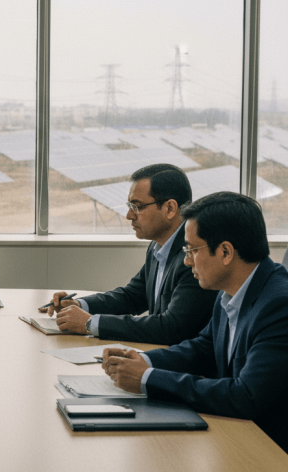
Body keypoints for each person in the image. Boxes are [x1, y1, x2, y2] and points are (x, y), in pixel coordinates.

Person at [103, 192, 288, 452]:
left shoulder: (279, 305)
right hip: (235, 437)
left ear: (225, 252)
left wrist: (148, 378)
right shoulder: (231, 289)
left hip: (268, 450)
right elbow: (203, 348)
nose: (186, 260)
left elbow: (245, 396)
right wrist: (143, 360)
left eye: (191, 250)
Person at [41, 164, 217, 345]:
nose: (129, 215)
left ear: (170, 208)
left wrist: (90, 323)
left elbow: (171, 328)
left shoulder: (194, 257)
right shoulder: (157, 246)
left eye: (137, 206)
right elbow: (132, 296)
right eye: (130, 206)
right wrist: (79, 305)